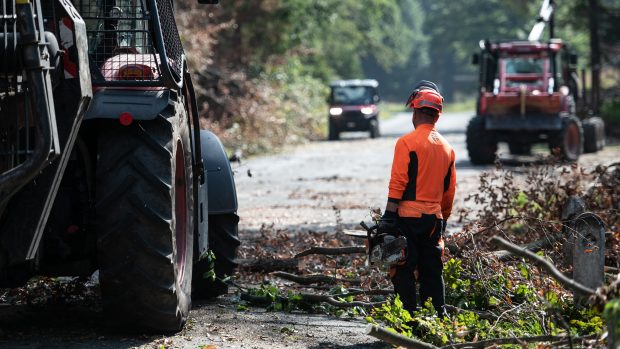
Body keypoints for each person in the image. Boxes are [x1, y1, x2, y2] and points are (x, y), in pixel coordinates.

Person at [379, 80, 456, 315]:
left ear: (415, 110)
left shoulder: (407, 143)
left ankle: (409, 319)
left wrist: (389, 216)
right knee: (432, 271)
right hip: (434, 219)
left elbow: (399, 181)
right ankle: (438, 319)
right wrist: (443, 220)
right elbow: (449, 190)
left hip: (406, 218)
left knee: (402, 268)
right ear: (437, 116)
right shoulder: (447, 148)